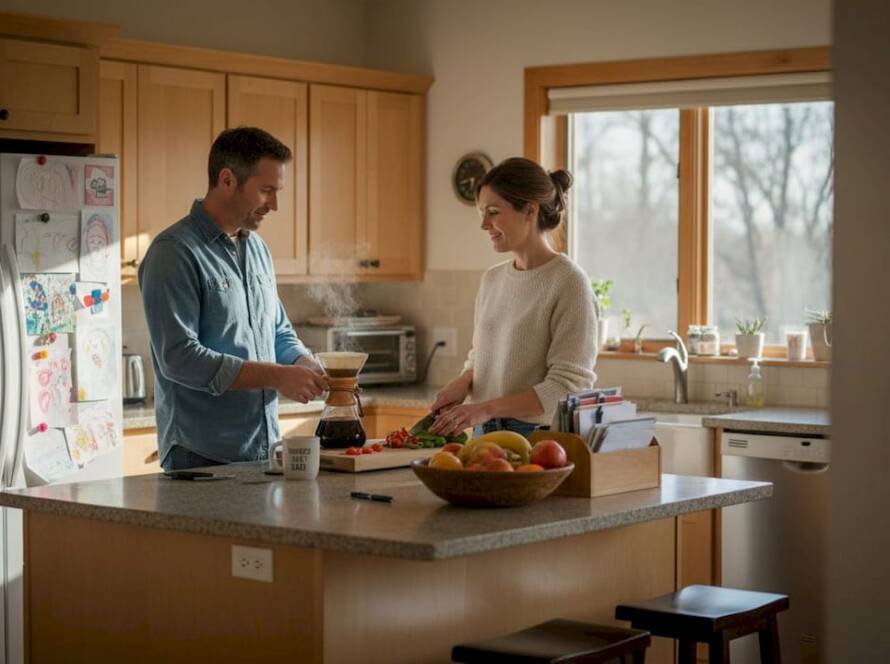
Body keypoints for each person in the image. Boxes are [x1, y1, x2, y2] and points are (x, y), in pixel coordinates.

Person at [139, 127, 327, 470]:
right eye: (266, 190)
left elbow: (278, 331)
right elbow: (179, 358)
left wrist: (302, 362)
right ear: (227, 180)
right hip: (200, 456)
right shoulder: (174, 252)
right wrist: (277, 376)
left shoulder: (258, 250)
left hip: (262, 448)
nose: (274, 205)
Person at [429, 157, 597, 438]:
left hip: (536, 438)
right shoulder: (492, 280)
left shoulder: (570, 283)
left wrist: (485, 409)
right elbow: (481, 357)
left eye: (493, 212)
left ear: (530, 210)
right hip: (483, 433)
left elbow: (567, 387)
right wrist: (464, 382)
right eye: (482, 213)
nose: (484, 224)